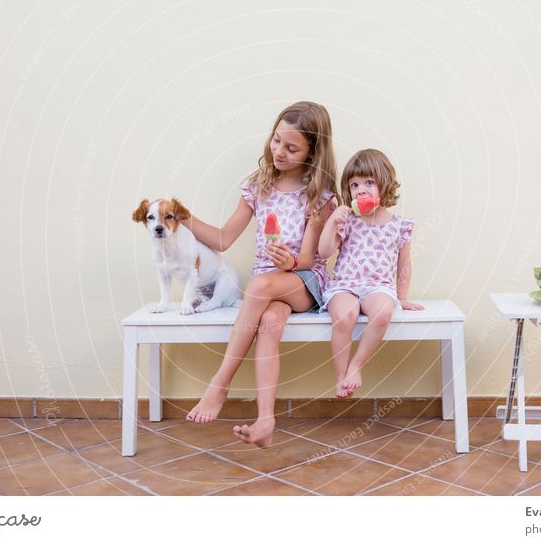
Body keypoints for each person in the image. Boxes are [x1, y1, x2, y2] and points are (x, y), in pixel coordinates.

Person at [181, 101, 337, 448]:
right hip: (268, 289)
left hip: (304, 282)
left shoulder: (319, 196)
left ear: (313, 152)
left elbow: (311, 259)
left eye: (292, 147)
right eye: (277, 141)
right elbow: (223, 239)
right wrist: (183, 216)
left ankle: (219, 384)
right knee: (269, 324)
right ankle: (266, 421)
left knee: (260, 284)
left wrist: (290, 262)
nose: (279, 151)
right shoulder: (258, 187)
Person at [318, 148, 424, 398]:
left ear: (385, 184)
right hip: (344, 285)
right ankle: (340, 374)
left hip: (379, 287)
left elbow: (404, 264)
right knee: (344, 317)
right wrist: (332, 221)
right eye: (354, 185)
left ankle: (356, 366)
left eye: (368, 182)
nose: (360, 189)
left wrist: (402, 296)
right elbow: (324, 252)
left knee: (384, 313)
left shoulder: (399, 226)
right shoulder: (348, 220)